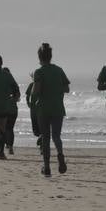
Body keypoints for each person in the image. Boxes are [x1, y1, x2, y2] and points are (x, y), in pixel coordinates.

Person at [32, 42, 70, 177]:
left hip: (43, 108)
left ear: (39, 57)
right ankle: (60, 155)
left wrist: (33, 97)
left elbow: (36, 90)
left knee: (45, 138)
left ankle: (47, 166)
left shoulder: (39, 72)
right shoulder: (59, 70)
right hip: (58, 107)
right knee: (56, 136)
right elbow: (67, 88)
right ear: (50, 56)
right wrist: (56, 88)